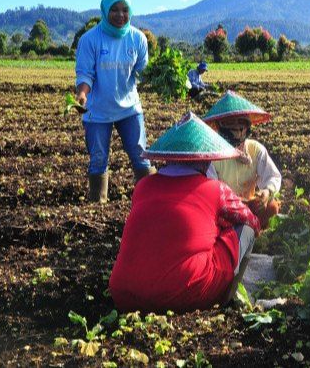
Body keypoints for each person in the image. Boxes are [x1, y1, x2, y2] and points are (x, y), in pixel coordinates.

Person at [109, 112, 260, 313]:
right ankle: (228, 299)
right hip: (187, 293)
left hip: (124, 294)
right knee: (247, 229)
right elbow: (251, 220)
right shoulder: (216, 190)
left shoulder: (143, 186)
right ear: (205, 161)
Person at [75, 0, 154, 204]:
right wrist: (82, 94)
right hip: (98, 112)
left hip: (129, 109)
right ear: (104, 11)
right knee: (99, 159)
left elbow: (143, 71)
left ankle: (152, 200)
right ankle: (98, 205)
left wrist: (163, 79)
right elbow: (85, 74)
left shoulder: (137, 38)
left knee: (141, 155)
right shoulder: (90, 40)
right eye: (115, 10)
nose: (120, 15)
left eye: (125, 10)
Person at [203, 91, 282, 229]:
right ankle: (242, 231)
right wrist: (239, 203)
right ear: (219, 127)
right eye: (230, 124)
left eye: (241, 124)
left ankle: (253, 231)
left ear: (247, 128)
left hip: (250, 204)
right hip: (225, 207)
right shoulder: (213, 156)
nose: (238, 130)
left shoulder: (255, 149)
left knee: (272, 206)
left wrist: (266, 192)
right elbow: (213, 193)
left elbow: (273, 176)